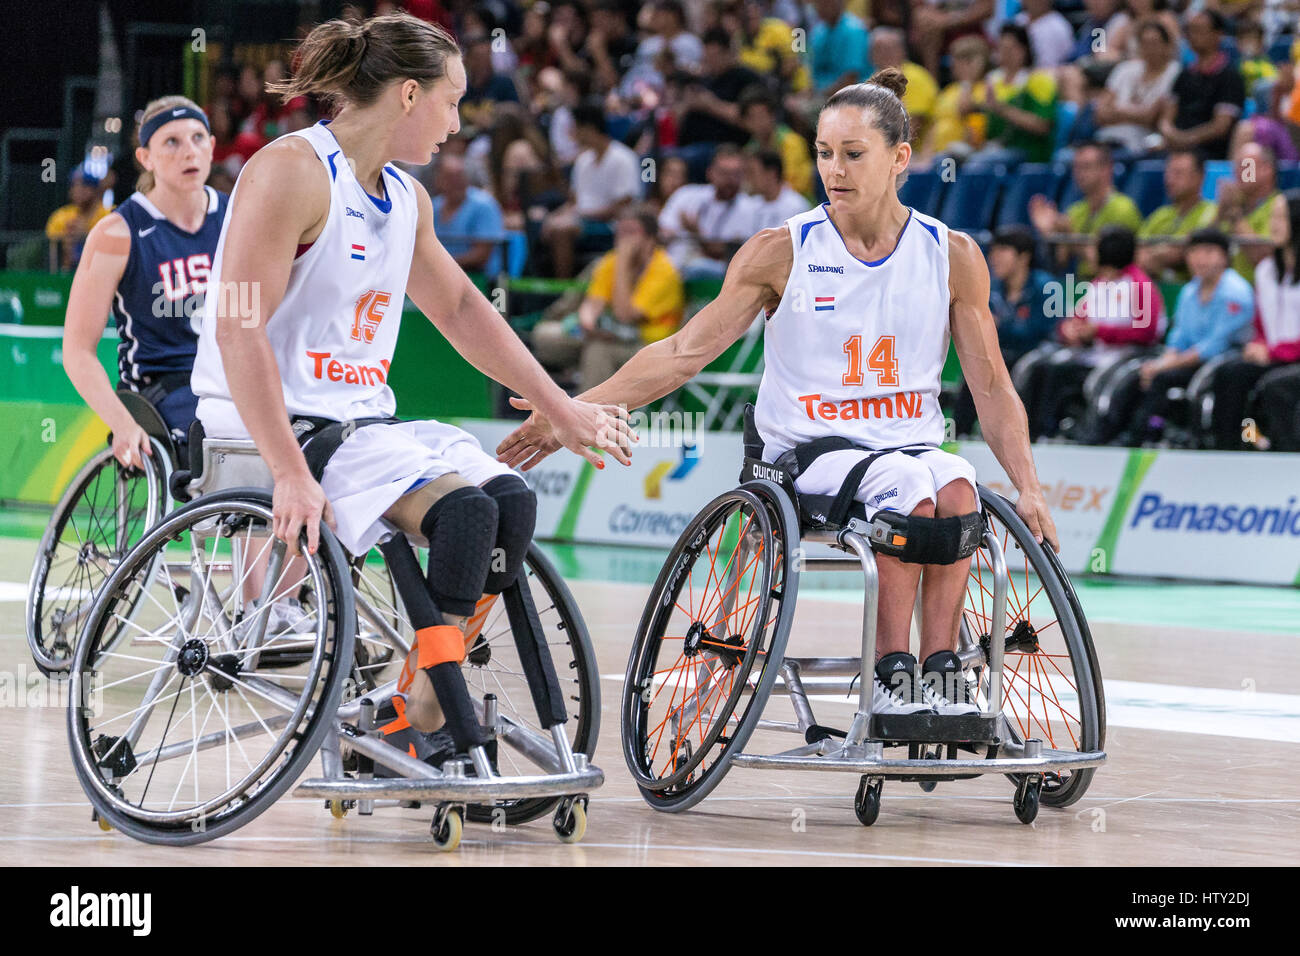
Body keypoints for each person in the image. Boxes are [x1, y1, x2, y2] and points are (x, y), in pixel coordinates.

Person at [499, 69, 1061, 717]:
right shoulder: (783, 251)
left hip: (908, 448)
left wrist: (1030, 486)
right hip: (804, 457)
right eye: (824, 153)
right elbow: (684, 353)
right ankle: (890, 674)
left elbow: (991, 384)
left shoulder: (950, 254)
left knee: (957, 483)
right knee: (912, 488)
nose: (834, 170)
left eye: (853, 154)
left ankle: (939, 672)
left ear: (900, 158)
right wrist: (571, 408)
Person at [190, 14, 629, 754]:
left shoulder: (407, 199)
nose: (456, 125)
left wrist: (560, 406)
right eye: (451, 103)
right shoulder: (290, 171)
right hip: (265, 419)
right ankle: (427, 721)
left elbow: (460, 308)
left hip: (356, 425)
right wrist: (289, 471)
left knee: (507, 503)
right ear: (407, 94)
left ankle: (417, 708)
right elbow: (238, 327)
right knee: (461, 515)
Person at [63, 96, 227, 467]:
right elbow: (77, 350)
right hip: (161, 388)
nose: (189, 151)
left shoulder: (239, 216)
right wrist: (121, 423)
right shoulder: (117, 233)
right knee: (221, 438)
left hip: (231, 378)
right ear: (145, 158)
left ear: (212, 147)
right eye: (172, 142)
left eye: (198, 138)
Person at [1023, 226, 1165, 442]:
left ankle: (1093, 436)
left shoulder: (1139, 284)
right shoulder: (1097, 284)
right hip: (1095, 355)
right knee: (1045, 368)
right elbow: (1075, 319)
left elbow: (1147, 333)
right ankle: (1035, 432)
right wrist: (1070, 331)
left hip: (1126, 357)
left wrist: (1099, 332)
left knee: (1071, 376)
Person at [1116, 228, 1254, 444]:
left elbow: (1215, 345)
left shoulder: (1236, 293)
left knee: (1162, 378)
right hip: (1189, 361)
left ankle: (1142, 437)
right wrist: (1162, 362)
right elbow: (1178, 338)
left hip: (1224, 362)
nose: (1200, 259)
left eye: (1208, 252)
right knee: (1136, 374)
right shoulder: (1189, 291)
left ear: (1224, 257)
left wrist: (1165, 366)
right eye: (1194, 252)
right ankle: (1114, 435)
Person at [532, 204, 685, 387]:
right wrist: (589, 325)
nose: (623, 239)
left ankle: (588, 404)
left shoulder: (664, 270)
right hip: (613, 335)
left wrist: (623, 264)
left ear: (650, 239)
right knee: (545, 336)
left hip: (650, 345)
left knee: (598, 350)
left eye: (631, 232)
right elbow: (592, 305)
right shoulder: (610, 261)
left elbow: (625, 315)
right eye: (620, 232)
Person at [1205, 192, 1300, 448]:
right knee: (1228, 373)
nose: (1274, 225)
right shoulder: (1265, 271)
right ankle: (1228, 450)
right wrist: (1259, 344)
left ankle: (1285, 455)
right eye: (1273, 218)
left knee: (1277, 386)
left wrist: (1274, 351)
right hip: (1275, 356)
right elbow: (1262, 325)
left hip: (1290, 357)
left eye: (1281, 218)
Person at [954, 225, 1056, 437]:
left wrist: (1000, 325)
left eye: (1002, 250)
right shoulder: (991, 287)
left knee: (1022, 367)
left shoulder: (1046, 287)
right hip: (1001, 352)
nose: (994, 257)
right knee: (977, 366)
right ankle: (960, 432)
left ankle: (1031, 433)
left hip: (1036, 355)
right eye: (993, 251)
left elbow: (1043, 330)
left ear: (1023, 257)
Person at [539, 100, 643, 277]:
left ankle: (564, 286)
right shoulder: (582, 161)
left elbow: (623, 206)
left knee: (562, 229)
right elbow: (574, 202)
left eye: (575, 128)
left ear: (589, 128)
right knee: (545, 223)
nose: (571, 133)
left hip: (611, 225)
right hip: (582, 220)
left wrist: (582, 214)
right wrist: (553, 217)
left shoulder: (624, 158)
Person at [1029, 140, 1142, 276]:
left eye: (1086, 167)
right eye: (1076, 167)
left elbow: (1112, 268)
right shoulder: (1076, 210)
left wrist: (1070, 235)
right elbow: (1060, 262)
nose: (1079, 173)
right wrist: (1049, 233)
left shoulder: (1123, 209)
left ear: (1107, 169)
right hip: (1080, 284)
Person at [1157, 10, 1245, 160]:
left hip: (1208, 153)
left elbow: (1221, 126)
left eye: (1199, 30)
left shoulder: (1230, 77)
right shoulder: (1184, 75)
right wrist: (1170, 134)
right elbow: (1166, 116)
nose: (1192, 36)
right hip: (1175, 148)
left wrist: (1186, 139)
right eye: (1190, 30)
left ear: (1218, 34)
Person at [1136, 147, 1218, 282]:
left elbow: (1185, 251)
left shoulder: (1212, 212)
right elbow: (1138, 254)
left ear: (1200, 177)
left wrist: (1158, 255)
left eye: (1178, 173)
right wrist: (1165, 255)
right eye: (1168, 172)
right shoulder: (1160, 215)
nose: (1170, 179)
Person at [1214, 141, 1283, 283]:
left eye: (1246, 165)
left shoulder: (1280, 206)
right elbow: (1203, 246)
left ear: (1267, 169)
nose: (1238, 172)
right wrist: (1221, 213)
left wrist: (1234, 215)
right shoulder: (1233, 204)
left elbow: (1264, 259)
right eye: (1236, 166)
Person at [431, 153, 505, 276]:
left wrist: (440, 265)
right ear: (439, 180)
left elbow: (482, 254)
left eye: (460, 176)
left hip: (480, 278)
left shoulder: (485, 205)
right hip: (438, 274)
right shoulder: (432, 205)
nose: (456, 182)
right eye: (450, 178)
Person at [46, 168, 113, 272]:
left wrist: (86, 235)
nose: (77, 190)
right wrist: (66, 240)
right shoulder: (61, 216)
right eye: (74, 185)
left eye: (84, 185)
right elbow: (51, 248)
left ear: (96, 189)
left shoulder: (111, 214)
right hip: (67, 271)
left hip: (103, 270)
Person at [744, 149, 811, 229]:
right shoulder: (751, 204)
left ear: (771, 173)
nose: (748, 179)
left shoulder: (796, 207)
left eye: (752, 173)